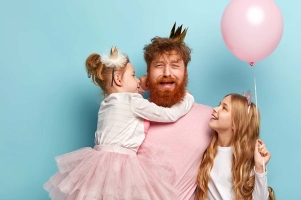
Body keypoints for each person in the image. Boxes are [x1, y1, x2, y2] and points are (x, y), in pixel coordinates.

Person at [43, 46, 195, 200]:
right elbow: (169, 114)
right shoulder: (133, 101)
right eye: (134, 75)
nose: (137, 80)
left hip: (98, 163)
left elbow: (126, 103)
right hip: (123, 164)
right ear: (118, 79)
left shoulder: (107, 103)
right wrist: (186, 99)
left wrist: (140, 87)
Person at [137, 23, 213, 199]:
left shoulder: (209, 117)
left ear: (185, 72)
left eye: (175, 65)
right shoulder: (133, 115)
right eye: (159, 65)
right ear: (148, 73)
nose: (167, 72)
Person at [196, 91, 275, 200]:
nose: (215, 108)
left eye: (224, 108)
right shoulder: (205, 149)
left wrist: (260, 167)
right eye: (219, 104)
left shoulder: (245, 158)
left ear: (236, 123)